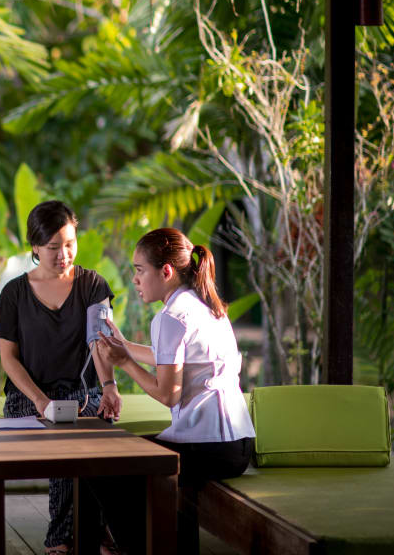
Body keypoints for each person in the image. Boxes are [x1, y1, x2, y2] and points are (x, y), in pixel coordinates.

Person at [95, 227, 255, 554]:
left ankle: (134, 548)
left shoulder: (170, 317)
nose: (135, 279)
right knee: (129, 459)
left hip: (207, 448)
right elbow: (174, 359)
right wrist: (124, 346)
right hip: (237, 445)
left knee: (103, 465)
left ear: (165, 271)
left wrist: (124, 362)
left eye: (140, 271)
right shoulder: (206, 305)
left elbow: (169, 394)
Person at [0, 200, 121, 555]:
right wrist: (40, 400)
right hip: (27, 398)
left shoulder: (93, 285)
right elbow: (8, 358)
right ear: (34, 246)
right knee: (63, 432)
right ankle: (72, 538)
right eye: (53, 248)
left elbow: (102, 343)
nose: (64, 255)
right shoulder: (14, 294)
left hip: (84, 394)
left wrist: (109, 388)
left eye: (69, 244)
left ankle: (84, 536)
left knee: (84, 432)